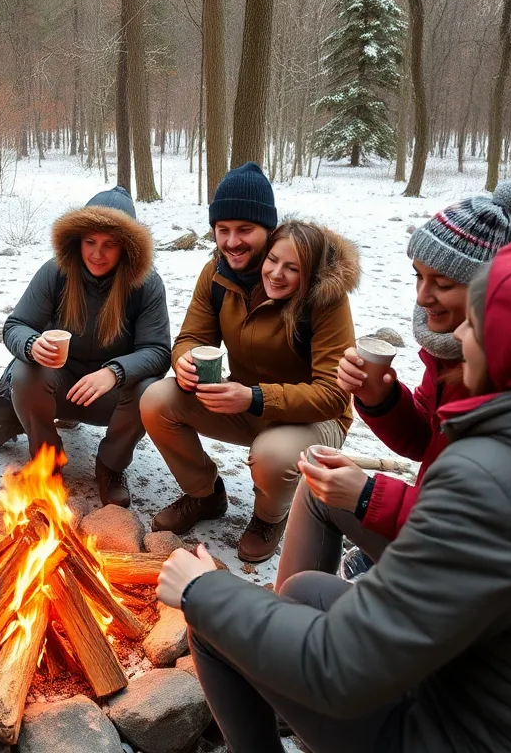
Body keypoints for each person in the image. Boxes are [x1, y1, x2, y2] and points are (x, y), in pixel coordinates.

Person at [157, 235, 511, 753]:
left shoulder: (499, 477)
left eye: (474, 323)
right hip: (502, 687)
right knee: (301, 594)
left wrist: (201, 589)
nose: (458, 335)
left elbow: (341, 668)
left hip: (465, 730)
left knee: (211, 619)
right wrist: (383, 398)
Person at [276, 180, 511, 586]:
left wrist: (366, 496)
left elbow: (482, 526)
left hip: (471, 572)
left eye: (444, 284)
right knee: (317, 489)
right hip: (434, 523)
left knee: (306, 590)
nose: (422, 296)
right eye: (418, 276)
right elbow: (424, 442)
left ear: (493, 294)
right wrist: (380, 397)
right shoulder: (450, 346)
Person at [141, 163, 358, 560]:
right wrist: (184, 359)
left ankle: (269, 516)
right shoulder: (217, 275)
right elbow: (192, 336)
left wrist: (254, 397)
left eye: (244, 230)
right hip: (243, 402)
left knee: (273, 455)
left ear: (268, 230)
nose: (232, 241)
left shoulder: (322, 292)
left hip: (312, 419)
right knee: (156, 400)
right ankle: (204, 495)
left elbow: (333, 393)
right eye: (222, 230)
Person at [0, 186, 171, 505]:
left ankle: (111, 467)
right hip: (60, 386)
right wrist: (33, 344)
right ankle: (47, 459)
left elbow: (158, 351)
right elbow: (15, 325)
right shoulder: (56, 272)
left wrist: (115, 372)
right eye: (90, 242)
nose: (97, 254)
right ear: (78, 240)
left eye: (109, 245)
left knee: (151, 389)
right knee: (25, 371)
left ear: (127, 248)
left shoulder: (146, 284)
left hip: (112, 397)